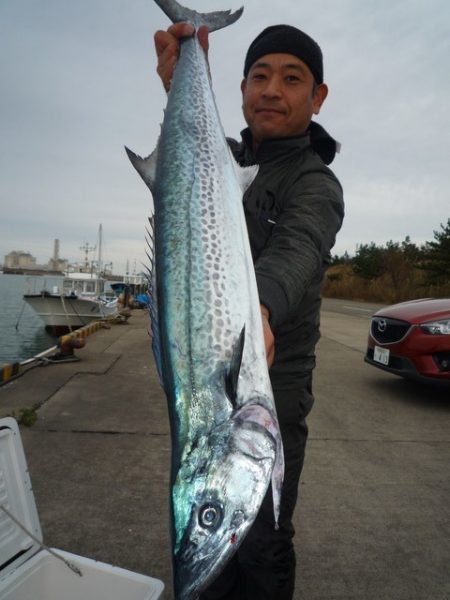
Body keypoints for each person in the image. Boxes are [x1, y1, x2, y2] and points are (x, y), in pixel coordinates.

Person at [154, 20, 344, 600]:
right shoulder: (220, 160)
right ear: (239, 90)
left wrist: (255, 309)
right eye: (258, 75)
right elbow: (187, 175)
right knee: (206, 520)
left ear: (317, 98)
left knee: (262, 539)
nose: (270, 89)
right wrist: (180, 81)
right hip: (206, 379)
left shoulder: (317, 183)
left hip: (273, 393)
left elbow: (299, 248)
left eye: (291, 78)